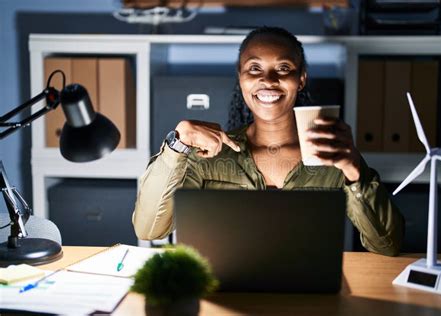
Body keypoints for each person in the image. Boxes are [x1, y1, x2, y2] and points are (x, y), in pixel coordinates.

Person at [132, 26, 404, 256]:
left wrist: (354, 171)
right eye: (254, 68)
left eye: (283, 68)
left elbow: (387, 246)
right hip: (228, 292)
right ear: (240, 79)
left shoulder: (331, 153)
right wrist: (177, 144)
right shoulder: (208, 155)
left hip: (306, 297)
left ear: (301, 79)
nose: (268, 80)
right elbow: (149, 229)